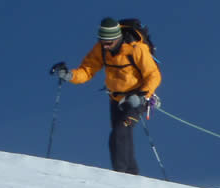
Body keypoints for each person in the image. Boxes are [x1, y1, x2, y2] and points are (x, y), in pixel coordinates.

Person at [50, 17, 162, 175]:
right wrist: (69, 75)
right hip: (116, 99)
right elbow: (87, 70)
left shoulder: (136, 49)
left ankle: (121, 176)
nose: (106, 45)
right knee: (119, 136)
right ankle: (131, 176)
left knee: (120, 131)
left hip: (138, 98)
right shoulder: (101, 49)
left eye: (109, 41)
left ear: (118, 37)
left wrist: (143, 96)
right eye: (103, 41)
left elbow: (154, 75)